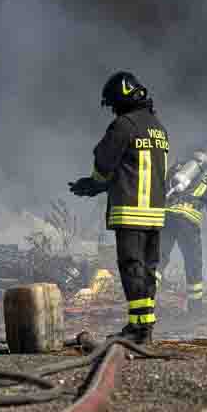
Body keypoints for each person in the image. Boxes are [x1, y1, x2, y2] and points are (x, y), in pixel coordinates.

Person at [70, 71, 169, 344]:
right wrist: (102, 185)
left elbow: (104, 161)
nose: (113, 110)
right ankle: (144, 326)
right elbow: (136, 168)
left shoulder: (124, 125)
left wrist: (94, 183)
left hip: (131, 211)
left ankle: (138, 330)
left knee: (131, 268)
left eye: (113, 104)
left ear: (121, 99)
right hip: (155, 213)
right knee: (148, 270)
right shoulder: (158, 127)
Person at [159, 141, 207, 318]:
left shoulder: (181, 165)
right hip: (187, 221)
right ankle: (195, 311)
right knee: (193, 263)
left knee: (159, 259)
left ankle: (145, 303)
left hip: (165, 216)